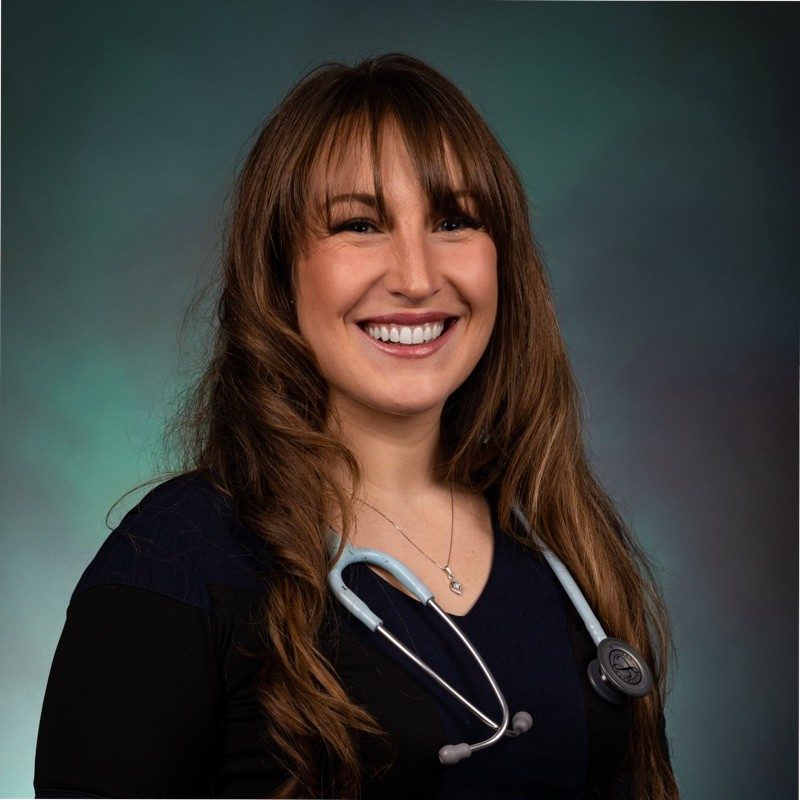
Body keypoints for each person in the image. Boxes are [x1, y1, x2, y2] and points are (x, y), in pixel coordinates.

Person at [34, 53, 677, 799]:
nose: (416, 277)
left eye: (454, 221)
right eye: (360, 225)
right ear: (280, 273)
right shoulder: (174, 563)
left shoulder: (565, 547)